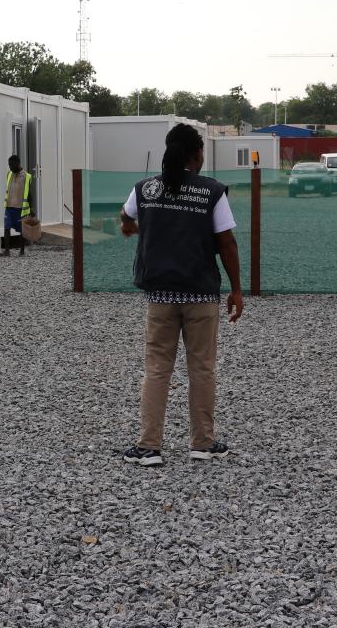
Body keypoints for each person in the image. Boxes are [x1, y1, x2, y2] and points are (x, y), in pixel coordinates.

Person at [120, 124, 244, 467]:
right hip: (201, 296)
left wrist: (130, 228)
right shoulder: (212, 192)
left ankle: (148, 447)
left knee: (157, 369)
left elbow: (125, 216)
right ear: (197, 154)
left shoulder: (146, 188)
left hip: (159, 296)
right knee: (201, 368)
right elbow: (227, 243)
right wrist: (235, 288)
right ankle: (202, 443)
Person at [1, 155, 32, 257]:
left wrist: (31, 209)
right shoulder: (9, 174)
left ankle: (22, 250)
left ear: (17, 164)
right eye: (9, 165)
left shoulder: (26, 176)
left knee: (22, 230)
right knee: (6, 227)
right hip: (9, 207)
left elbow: (29, 194)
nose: (9, 167)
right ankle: (6, 251)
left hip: (20, 209)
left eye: (11, 165)